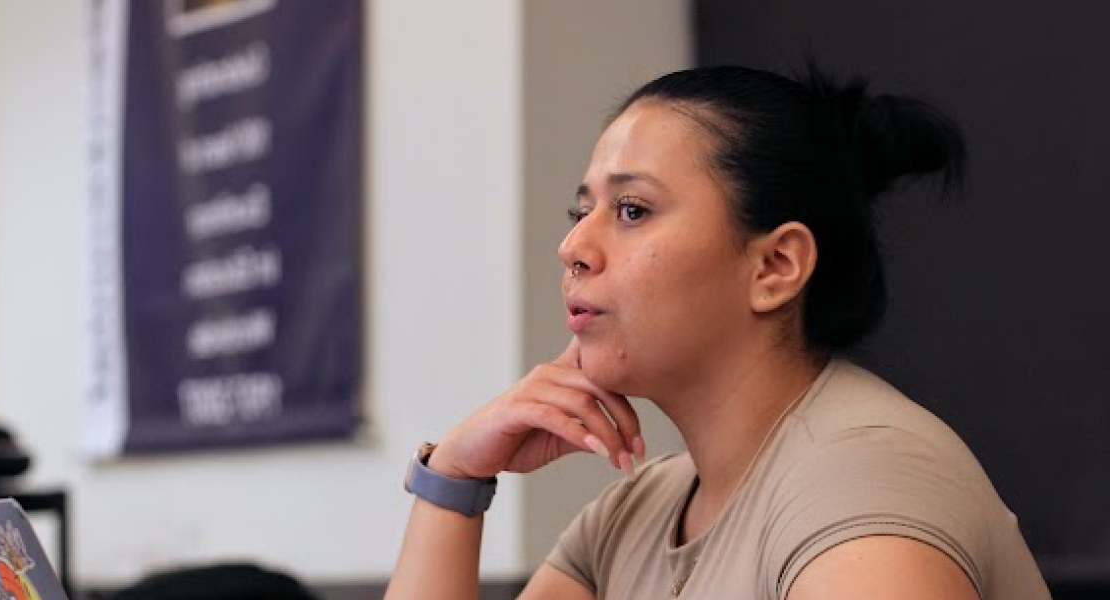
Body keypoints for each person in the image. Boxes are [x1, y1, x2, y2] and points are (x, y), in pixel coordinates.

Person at [385, 64, 1051, 599]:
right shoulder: (637, 513)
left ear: (775, 266)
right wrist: (455, 479)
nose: (573, 246)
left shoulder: (866, 480)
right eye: (581, 210)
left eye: (633, 209)